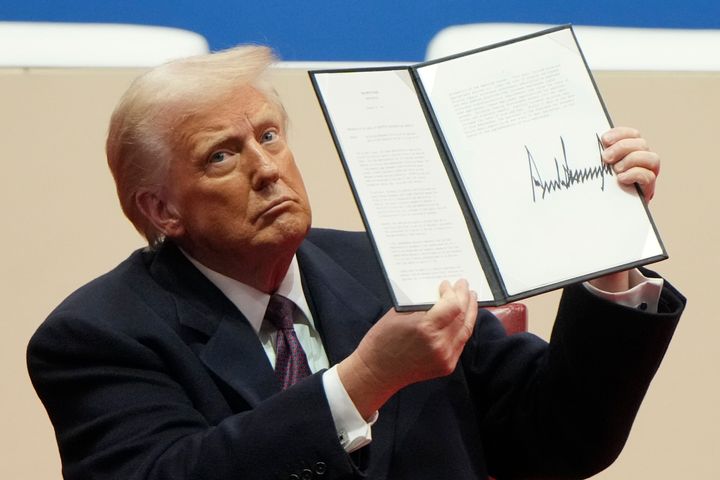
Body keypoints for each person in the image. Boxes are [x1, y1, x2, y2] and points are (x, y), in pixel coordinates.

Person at [27, 45, 685, 480]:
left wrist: (607, 256)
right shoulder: (96, 336)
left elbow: (556, 441)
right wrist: (361, 382)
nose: (265, 169)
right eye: (221, 156)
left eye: (269, 136)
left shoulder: (382, 264)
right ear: (162, 211)